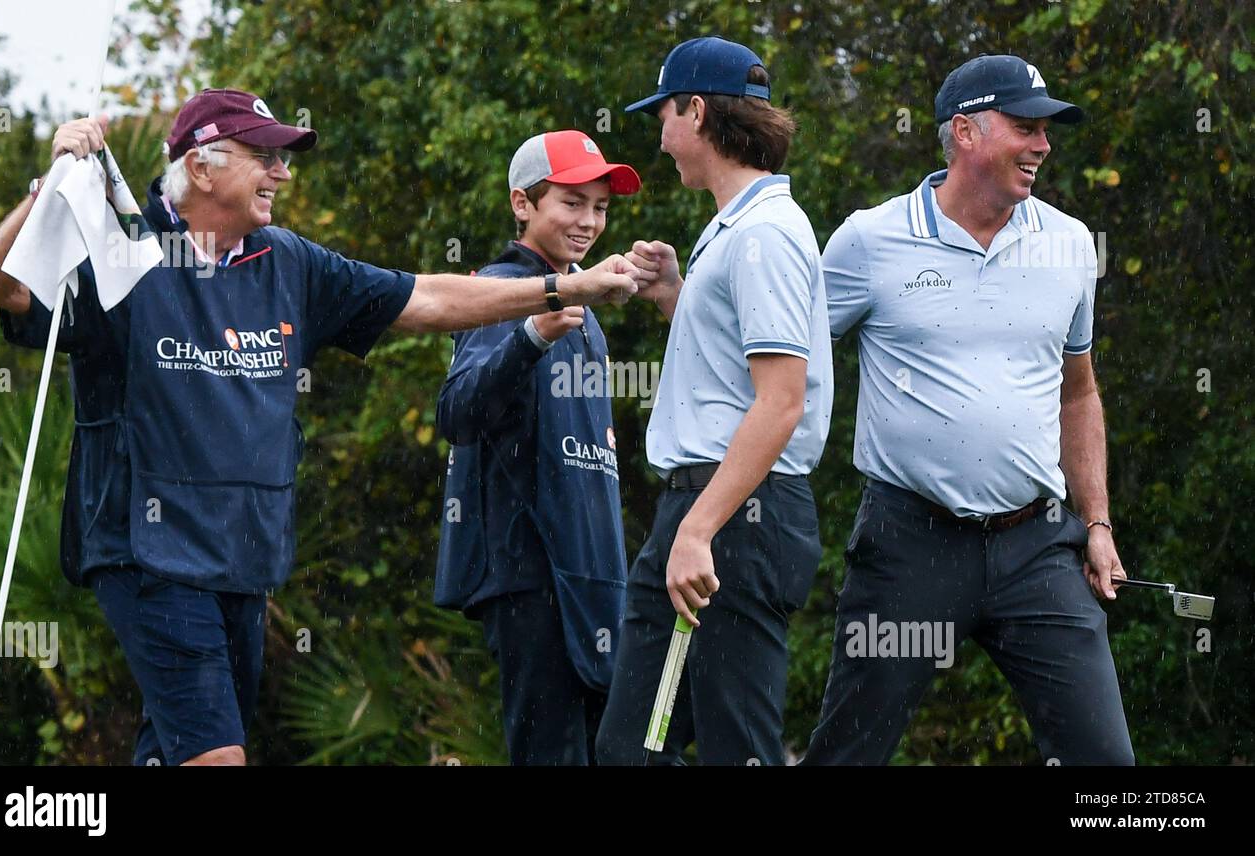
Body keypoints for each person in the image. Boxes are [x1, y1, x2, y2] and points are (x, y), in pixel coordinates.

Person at [0, 88, 636, 767]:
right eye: (266, 157)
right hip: (147, 555)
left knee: (173, 751)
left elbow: (430, 296)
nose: (284, 174)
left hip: (244, 559)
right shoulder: (126, 252)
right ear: (201, 167)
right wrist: (44, 186)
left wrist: (563, 289)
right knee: (217, 758)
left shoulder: (290, 260)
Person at [801, 55, 1134, 765]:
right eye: (1025, 127)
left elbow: (1079, 391)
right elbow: (781, 357)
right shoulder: (869, 241)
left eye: (1046, 129)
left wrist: (1097, 523)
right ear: (965, 132)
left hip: (1038, 546)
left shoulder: (1070, 244)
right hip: (909, 544)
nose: (1043, 145)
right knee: (848, 755)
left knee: (1105, 764)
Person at [593, 37, 833, 765]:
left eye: (663, 114)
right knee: (640, 747)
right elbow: (733, 377)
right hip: (717, 515)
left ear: (695, 112)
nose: (660, 138)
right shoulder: (736, 228)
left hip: (732, 522)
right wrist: (676, 295)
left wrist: (696, 532)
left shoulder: (763, 235)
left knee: (732, 750)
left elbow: (780, 403)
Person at [434, 129, 641, 765]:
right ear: (523, 203)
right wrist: (530, 334)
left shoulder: (584, 299)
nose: (588, 222)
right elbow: (457, 412)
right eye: (571, 203)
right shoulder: (501, 289)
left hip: (591, 572)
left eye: (600, 207)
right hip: (530, 571)